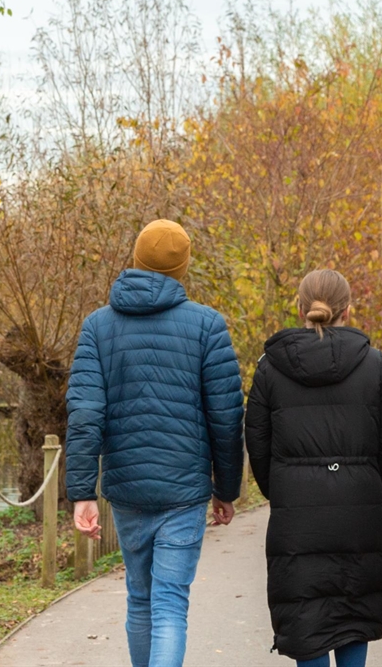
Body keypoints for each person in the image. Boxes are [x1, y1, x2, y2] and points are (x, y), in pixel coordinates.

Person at [64, 219, 245, 667]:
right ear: (182, 268)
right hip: (184, 491)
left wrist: (82, 492)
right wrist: (226, 488)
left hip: (128, 488)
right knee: (169, 604)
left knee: (140, 598)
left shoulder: (98, 327)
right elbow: (226, 417)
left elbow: (85, 414)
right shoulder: (207, 326)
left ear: (136, 259)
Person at [244, 269, 382, 667]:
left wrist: (282, 490)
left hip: (296, 516)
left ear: (300, 307)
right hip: (358, 511)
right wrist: (363, 483)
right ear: (349, 309)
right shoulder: (375, 365)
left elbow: (258, 446)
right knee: (353, 614)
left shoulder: (270, 369)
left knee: (306, 618)